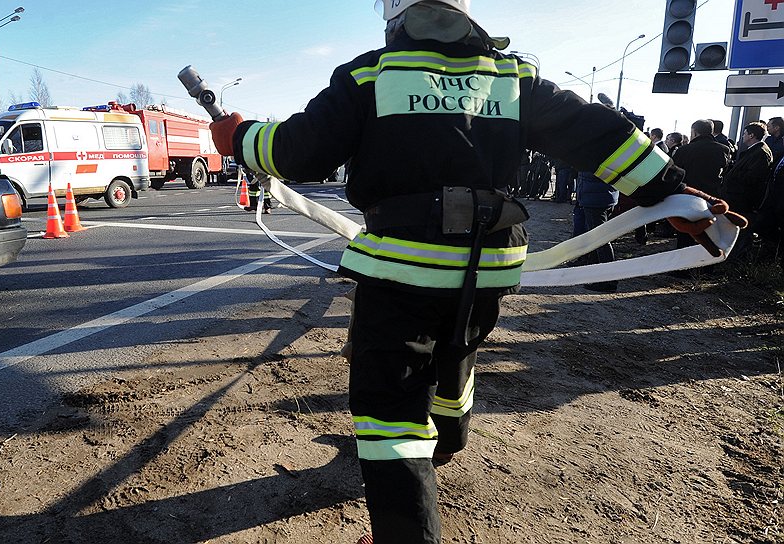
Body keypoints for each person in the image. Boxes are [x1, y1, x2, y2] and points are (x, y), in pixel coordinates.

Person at [209, 2, 744, 542]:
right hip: (490, 263)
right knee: (458, 341)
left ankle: (408, 525)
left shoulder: (370, 74)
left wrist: (241, 136)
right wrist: (669, 191)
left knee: (388, 413)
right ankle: (450, 437)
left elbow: (299, 151)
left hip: (402, 263)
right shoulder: (512, 75)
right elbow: (600, 133)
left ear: (395, 15)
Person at [671, 120, 732, 249]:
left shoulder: (684, 150)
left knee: (686, 235)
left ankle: (684, 266)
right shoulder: (723, 150)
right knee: (710, 234)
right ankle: (707, 265)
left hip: (688, 199)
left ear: (694, 132)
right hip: (712, 198)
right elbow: (724, 172)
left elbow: (675, 173)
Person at [722, 122, 774, 259]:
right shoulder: (755, 151)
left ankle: (737, 260)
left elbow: (754, 179)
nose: (743, 136)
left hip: (744, 201)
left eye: (745, 133)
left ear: (751, 135)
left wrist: (733, 180)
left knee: (743, 231)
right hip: (740, 199)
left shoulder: (760, 152)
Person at [572, 171, 619, 292]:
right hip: (601, 197)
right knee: (596, 239)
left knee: (600, 240)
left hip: (596, 199)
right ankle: (595, 274)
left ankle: (609, 281)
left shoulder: (595, 158)